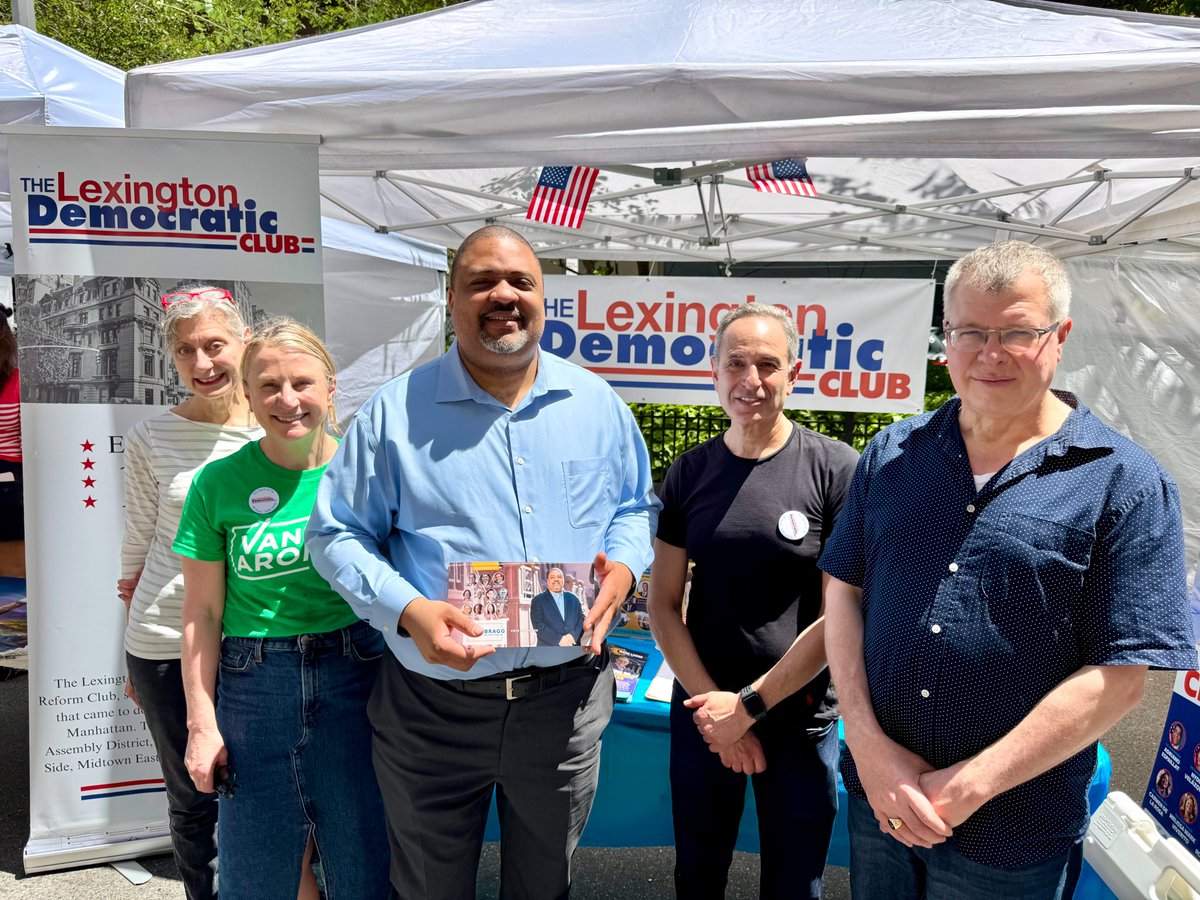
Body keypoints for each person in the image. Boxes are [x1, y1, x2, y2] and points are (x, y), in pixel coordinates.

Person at [820, 240, 1195, 900]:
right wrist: (870, 748)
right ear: (946, 339)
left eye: (1017, 332)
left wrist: (968, 785)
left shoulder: (1125, 482)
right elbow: (842, 591)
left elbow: (1120, 678)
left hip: (1013, 830)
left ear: (1060, 337)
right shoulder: (893, 452)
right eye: (971, 332)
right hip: (883, 802)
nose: (990, 354)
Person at [307, 224, 659, 900]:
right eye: (481, 282)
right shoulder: (392, 415)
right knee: (429, 889)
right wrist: (408, 610)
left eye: (520, 281)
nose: (503, 295)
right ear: (452, 300)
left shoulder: (598, 406)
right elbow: (336, 534)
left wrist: (622, 566)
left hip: (563, 705)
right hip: (431, 710)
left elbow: (635, 507)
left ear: (543, 298)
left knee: (543, 888)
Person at [647, 303, 858, 899]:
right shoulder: (689, 473)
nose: (751, 380)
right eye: (736, 363)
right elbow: (662, 605)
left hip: (798, 715)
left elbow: (839, 615)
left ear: (794, 374)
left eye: (768, 364)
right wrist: (718, 715)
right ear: (713, 372)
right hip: (704, 713)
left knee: (795, 884)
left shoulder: (835, 469)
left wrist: (750, 707)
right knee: (697, 875)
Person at [174, 318, 389, 900]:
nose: (287, 400)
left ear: (331, 388)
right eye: (269, 385)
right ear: (247, 393)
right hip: (255, 685)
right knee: (256, 869)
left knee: (363, 863)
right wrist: (201, 724)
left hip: (357, 674)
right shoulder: (217, 484)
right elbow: (201, 614)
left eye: (302, 383)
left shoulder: (368, 476)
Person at [118, 286, 261, 900]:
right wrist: (131, 655)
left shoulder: (281, 427)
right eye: (185, 351)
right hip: (163, 641)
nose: (202, 364)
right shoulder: (150, 437)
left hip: (260, 642)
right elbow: (138, 543)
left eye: (214, 345)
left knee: (268, 792)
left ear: (244, 342)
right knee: (195, 796)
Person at [531, 567, 585, 647]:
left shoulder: (574, 599)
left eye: (559, 577)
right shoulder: (538, 600)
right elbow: (538, 626)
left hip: (572, 646)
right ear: (547, 581)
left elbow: (582, 619)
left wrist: (573, 636)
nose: (556, 579)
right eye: (552, 577)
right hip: (548, 649)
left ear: (563, 580)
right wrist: (559, 640)